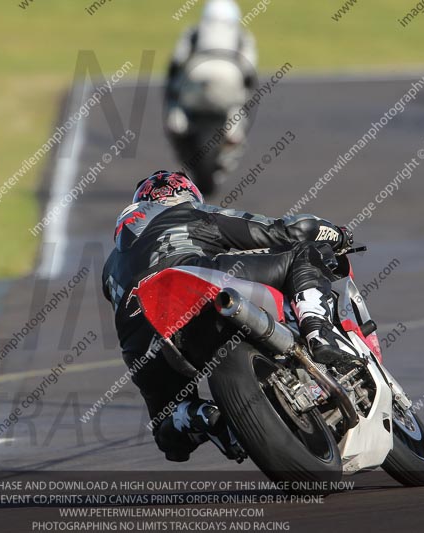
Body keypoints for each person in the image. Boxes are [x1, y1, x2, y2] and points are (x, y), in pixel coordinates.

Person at [102, 171, 360, 462]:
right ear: (184, 195)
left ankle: (197, 416)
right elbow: (283, 231)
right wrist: (336, 233)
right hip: (188, 279)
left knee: (169, 432)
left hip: (139, 334)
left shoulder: (111, 263)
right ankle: (317, 329)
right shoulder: (189, 212)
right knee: (303, 254)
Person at [164, 0, 257, 173]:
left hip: (197, 75)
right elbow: (249, 70)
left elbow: (177, 61)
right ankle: (234, 132)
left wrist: (173, 83)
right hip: (231, 76)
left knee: (176, 94)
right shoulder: (242, 36)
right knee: (240, 100)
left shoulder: (194, 31)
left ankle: (177, 120)